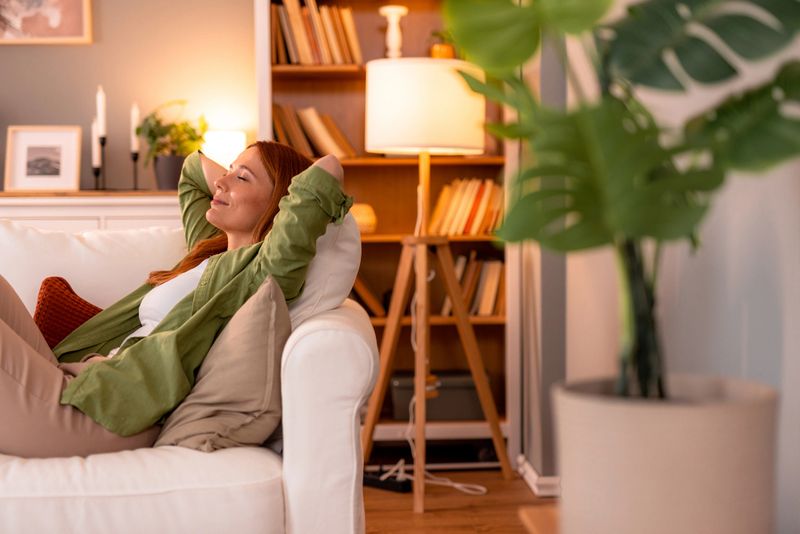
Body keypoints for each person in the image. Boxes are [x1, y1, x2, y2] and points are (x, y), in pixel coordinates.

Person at [0, 141, 351, 458]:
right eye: (227, 171)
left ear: (280, 204)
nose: (221, 182)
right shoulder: (206, 253)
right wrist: (239, 176)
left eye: (242, 178)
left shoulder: (261, 272)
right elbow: (192, 172)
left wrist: (280, 190)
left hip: (106, 411)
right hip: (80, 377)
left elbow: (328, 168)